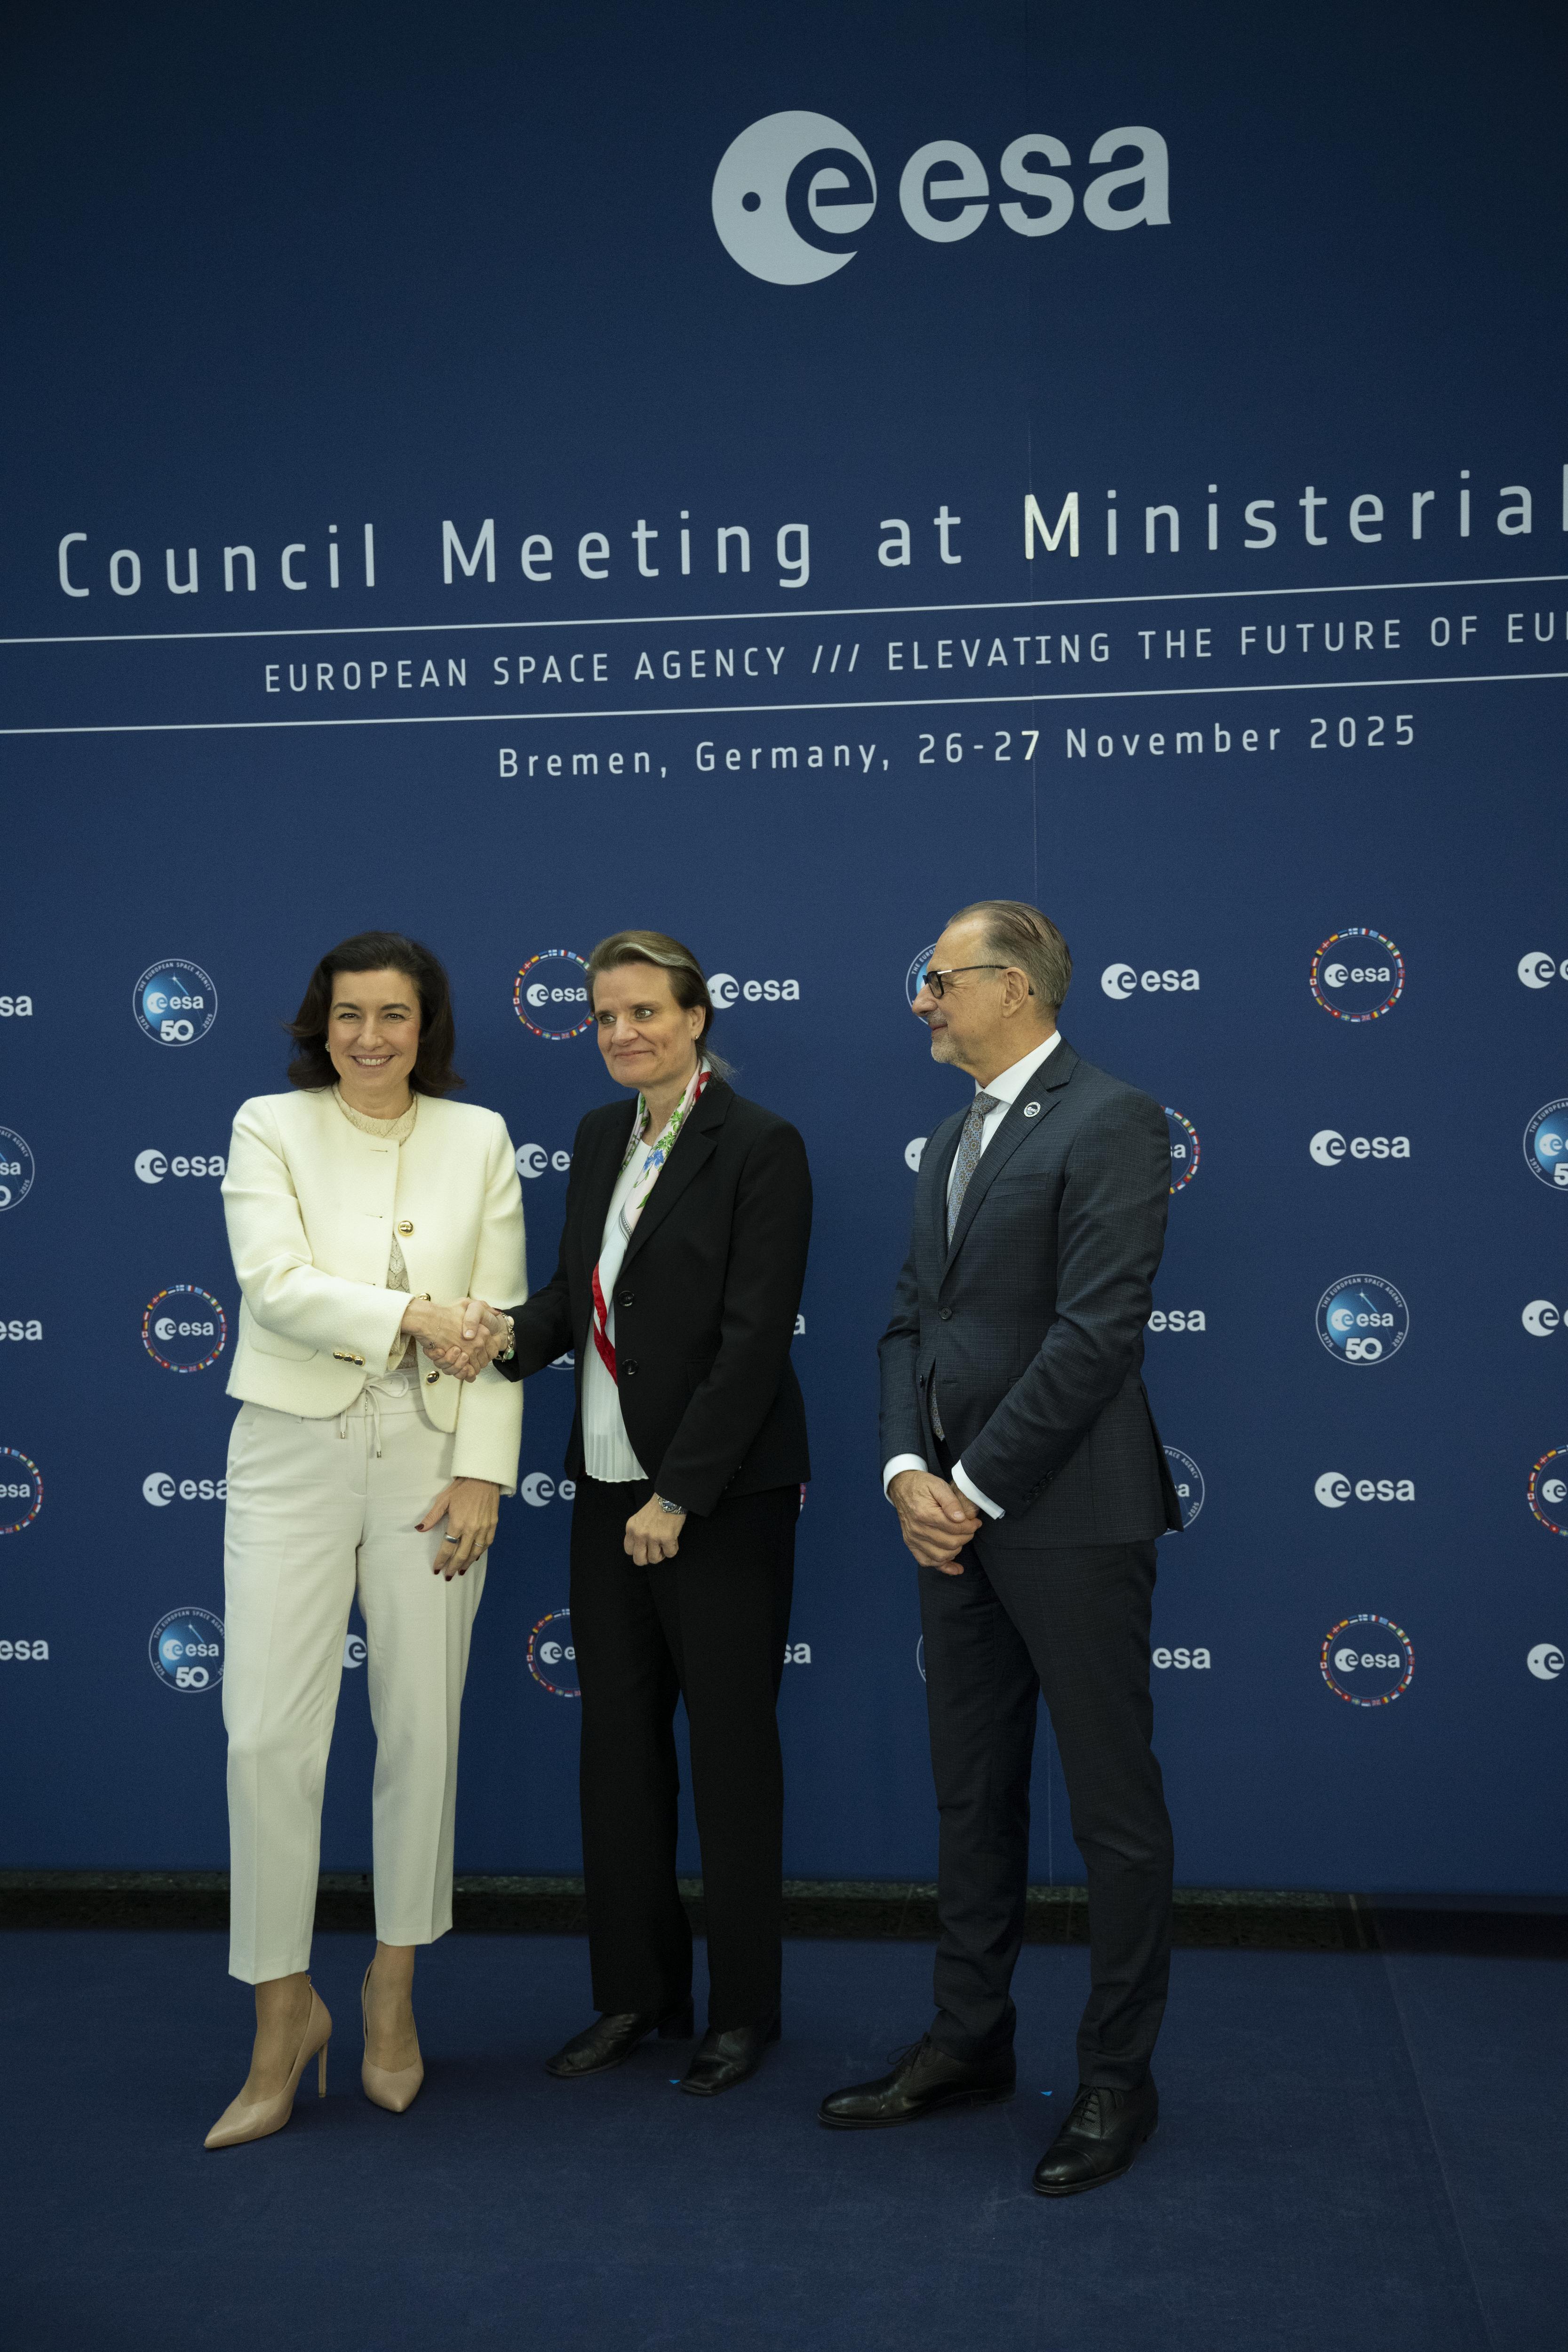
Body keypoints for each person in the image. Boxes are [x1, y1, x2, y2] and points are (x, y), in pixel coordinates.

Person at [819, 899, 1182, 2196]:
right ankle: (967, 2041)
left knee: (1110, 1814)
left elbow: (1095, 1335)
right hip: (949, 1525)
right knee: (971, 1794)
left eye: (939, 979)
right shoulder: (952, 1137)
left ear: (1014, 987)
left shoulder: (1112, 1119)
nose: (921, 1000)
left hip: (1068, 1517)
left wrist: (968, 1486)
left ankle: (1115, 2079)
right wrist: (905, 1473)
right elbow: (907, 1324)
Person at [438, 930, 811, 2096]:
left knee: (731, 1756)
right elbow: (576, 1296)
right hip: (604, 1490)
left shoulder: (760, 1144)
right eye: (604, 1015)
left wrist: (678, 1492)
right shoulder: (604, 1135)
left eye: (645, 1011)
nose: (621, 1032)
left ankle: (742, 2010)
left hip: (716, 1497)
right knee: (617, 1752)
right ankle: (635, 1994)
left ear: (696, 1018)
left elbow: (753, 1340)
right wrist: (501, 1336)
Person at [205, 931, 525, 2150]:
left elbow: (500, 1319)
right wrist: (418, 1313)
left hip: (433, 1462)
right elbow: (274, 1284)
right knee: (262, 1737)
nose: (371, 1037)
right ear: (320, 1024)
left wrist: (483, 1468)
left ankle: (392, 1988)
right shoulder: (267, 1125)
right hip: (289, 1451)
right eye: (350, 1015)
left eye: (394, 1015)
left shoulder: (478, 1137)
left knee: (420, 1727)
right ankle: (283, 2013)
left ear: (424, 1026)